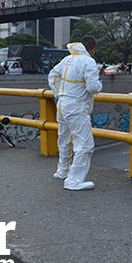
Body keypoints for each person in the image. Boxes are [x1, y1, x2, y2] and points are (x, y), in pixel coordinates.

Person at [48, 36, 102, 191]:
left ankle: (62, 171)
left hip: (62, 104)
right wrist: (99, 86)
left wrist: (59, 93)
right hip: (76, 106)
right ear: (92, 50)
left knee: (64, 137)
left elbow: (53, 75)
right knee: (85, 144)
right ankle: (74, 181)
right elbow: (92, 87)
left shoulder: (67, 59)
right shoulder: (88, 61)